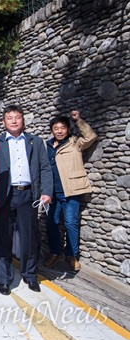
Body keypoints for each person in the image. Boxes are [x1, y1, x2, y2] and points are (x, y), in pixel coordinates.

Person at [0, 105, 53, 295]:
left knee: (29, 238)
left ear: (23, 120)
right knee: (4, 239)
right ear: (4, 122)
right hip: (4, 195)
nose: (14, 121)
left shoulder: (35, 141)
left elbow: (45, 168)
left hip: (28, 195)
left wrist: (47, 191)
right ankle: (5, 278)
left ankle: (30, 275)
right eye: (10, 118)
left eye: (17, 117)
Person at [44, 110, 96, 272]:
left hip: (71, 190)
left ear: (68, 129)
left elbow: (90, 137)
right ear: (52, 130)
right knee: (51, 223)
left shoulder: (74, 143)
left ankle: (71, 255)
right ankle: (55, 253)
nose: (59, 131)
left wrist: (78, 120)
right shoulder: (47, 147)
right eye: (56, 128)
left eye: (63, 128)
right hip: (52, 193)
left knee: (70, 223)